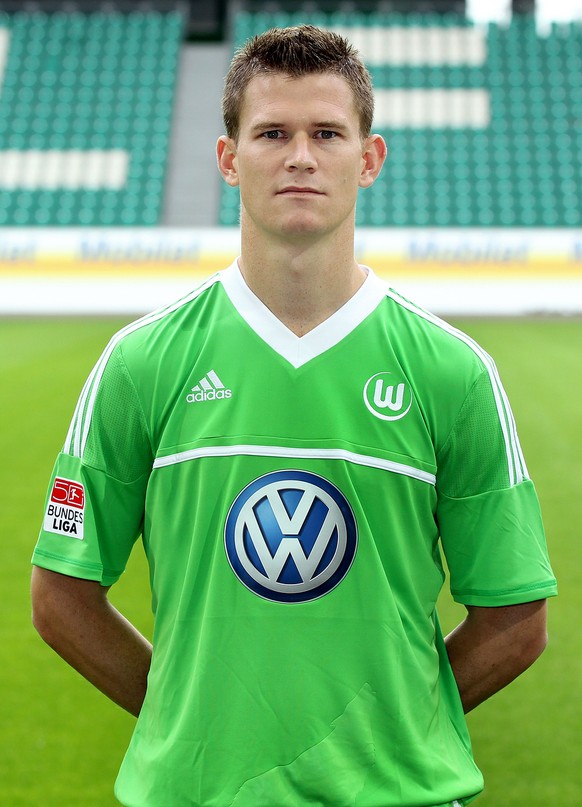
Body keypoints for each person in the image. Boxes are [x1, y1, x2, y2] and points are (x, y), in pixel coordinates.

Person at [31, 24, 557, 807]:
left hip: (401, 794)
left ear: (369, 158)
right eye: (272, 132)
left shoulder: (455, 371)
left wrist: (400, 725)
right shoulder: (141, 362)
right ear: (229, 158)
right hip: (195, 793)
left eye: (327, 133)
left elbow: (516, 616)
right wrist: (189, 717)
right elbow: (61, 595)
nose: (300, 156)